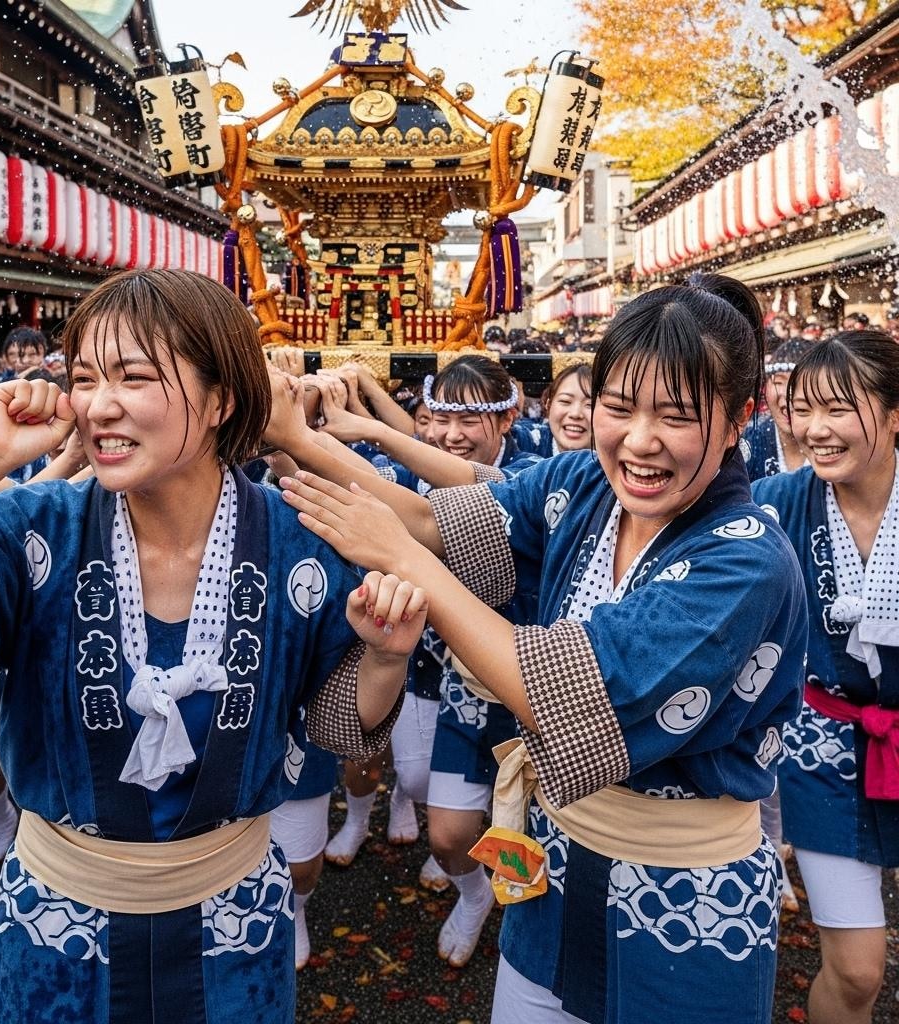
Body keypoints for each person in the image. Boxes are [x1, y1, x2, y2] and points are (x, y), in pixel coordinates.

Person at [0, 268, 425, 1024]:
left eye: (134, 377)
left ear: (222, 398)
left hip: (235, 922)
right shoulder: (36, 527)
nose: (100, 405)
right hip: (58, 926)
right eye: (84, 378)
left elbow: (338, 727)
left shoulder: (304, 536)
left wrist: (386, 659)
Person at [270, 273, 807, 1024]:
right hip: (552, 863)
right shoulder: (586, 481)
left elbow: (565, 693)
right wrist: (298, 439)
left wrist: (404, 556)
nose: (639, 439)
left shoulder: (749, 558)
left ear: (737, 421)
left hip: (685, 897)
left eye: (675, 416)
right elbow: (436, 523)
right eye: (617, 408)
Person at [753, 331, 899, 1024]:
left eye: (839, 409)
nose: (815, 428)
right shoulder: (775, 502)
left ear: (895, 413)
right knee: (858, 972)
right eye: (803, 408)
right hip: (824, 752)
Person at [743, 340, 810, 481]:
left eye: (799, 383)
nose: (788, 393)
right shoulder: (748, 445)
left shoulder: (833, 446)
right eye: (778, 382)